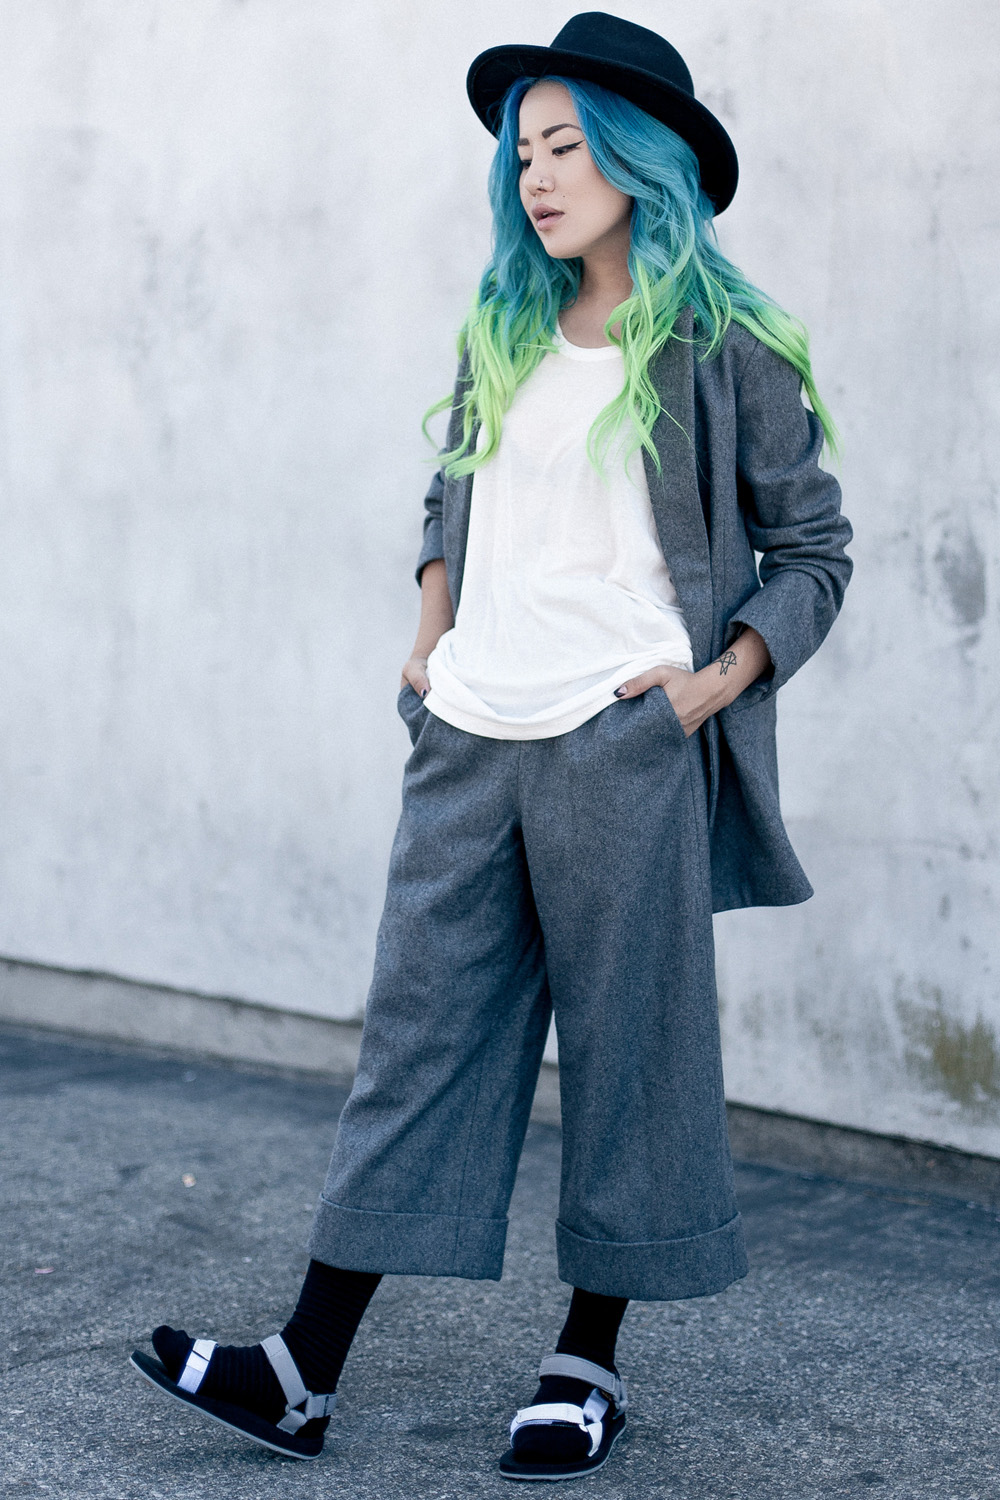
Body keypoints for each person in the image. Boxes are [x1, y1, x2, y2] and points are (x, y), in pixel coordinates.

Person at [130, 12, 852, 1484]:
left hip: (621, 743)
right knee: (417, 1047)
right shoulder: (503, 327)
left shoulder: (726, 346)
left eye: (567, 146)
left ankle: (585, 1366)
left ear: (642, 161)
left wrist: (708, 689)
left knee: (629, 1056)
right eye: (524, 153)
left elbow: (816, 553)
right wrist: (428, 639)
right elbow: (445, 497)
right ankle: (303, 1369)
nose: (538, 177)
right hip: (469, 732)